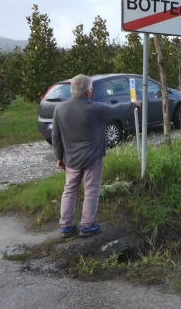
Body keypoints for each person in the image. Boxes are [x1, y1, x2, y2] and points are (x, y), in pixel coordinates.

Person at [52, 74, 141, 238]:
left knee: (69, 190)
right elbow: (118, 110)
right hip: (92, 158)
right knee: (91, 190)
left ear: (72, 90)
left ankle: (66, 226)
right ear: (89, 92)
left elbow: (56, 137)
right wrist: (134, 104)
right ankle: (87, 226)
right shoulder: (96, 109)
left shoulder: (60, 109)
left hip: (71, 160)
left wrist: (59, 157)